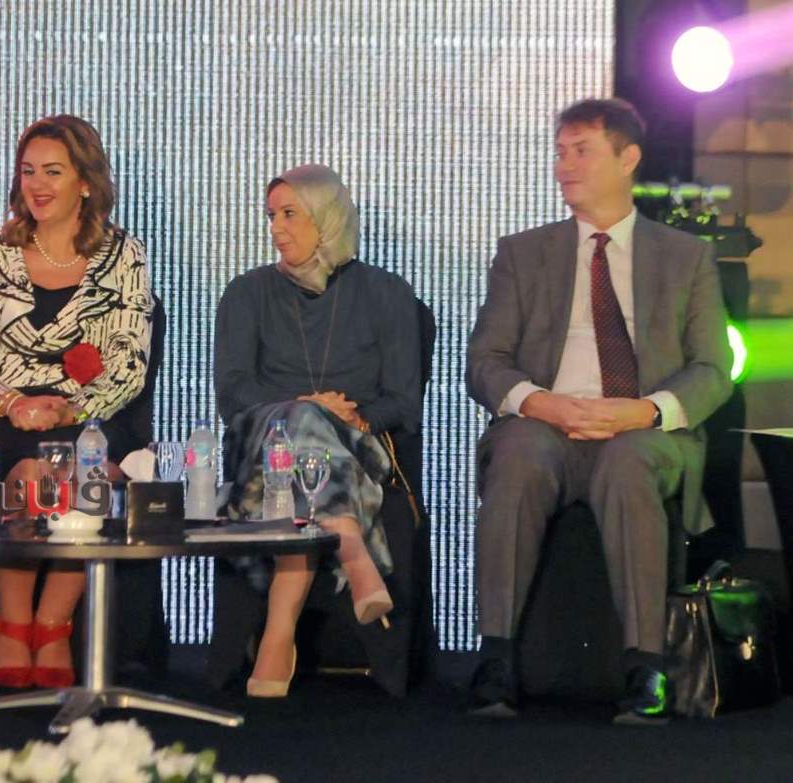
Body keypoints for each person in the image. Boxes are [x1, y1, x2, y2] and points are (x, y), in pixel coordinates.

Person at [466, 98, 732, 724]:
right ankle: (496, 659)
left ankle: (645, 667)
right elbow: (485, 361)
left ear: (627, 158)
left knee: (628, 463)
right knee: (519, 452)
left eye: (581, 151)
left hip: (639, 430)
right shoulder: (523, 253)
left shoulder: (686, 256)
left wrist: (645, 411)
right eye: (560, 152)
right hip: (547, 424)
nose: (564, 166)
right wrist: (542, 403)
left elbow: (713, 368)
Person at [0, 114, 152, 688]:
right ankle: (13, 621)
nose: (37, 184)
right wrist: (12, 403)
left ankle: (52, 622)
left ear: (85, 181)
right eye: (28, 170)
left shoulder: (124, 256)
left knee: (72, 461)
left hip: (90, 413)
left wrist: (70, 408)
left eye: (53, 172)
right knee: (27, 464)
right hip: (1, 414)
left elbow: (129, 364)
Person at [214, 164, 423, 697]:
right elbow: (232, 394)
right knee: (301, 423)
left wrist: (350, 418)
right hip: (263, 453)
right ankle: (349, 542)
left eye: (290, 214)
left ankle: (277, 633)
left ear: (328, 218)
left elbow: (404, 402)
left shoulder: (387, 293)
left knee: (308, 435)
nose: (276, 228)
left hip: (359, 450)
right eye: (270, 216)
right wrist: (305, 406)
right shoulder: (246, 293)